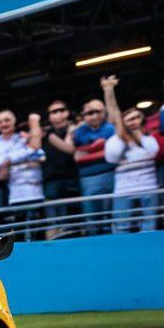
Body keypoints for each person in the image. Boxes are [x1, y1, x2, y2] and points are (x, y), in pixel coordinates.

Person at [102, 75, 160, 232]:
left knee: (149, 227)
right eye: (129, 119)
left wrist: (137, 136)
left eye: (136, 117)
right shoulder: (114, 140)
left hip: (148, 188)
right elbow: (111, 158)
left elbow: (152, 152)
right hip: (124, 190)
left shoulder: (148, 138)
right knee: (122, 228)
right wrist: (124, 140)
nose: (134, 121)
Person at [69, 97, 117, 229]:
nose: (94, 116)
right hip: (87, 178)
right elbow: (75, 154)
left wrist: (86, 152)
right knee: (92, 217)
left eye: (97, 112)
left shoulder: (110, 128)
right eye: (89, 113)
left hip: (108, 174)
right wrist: (96, 147)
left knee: (110, 214)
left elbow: (110, 151)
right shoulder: (79, 131)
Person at [42, 100, 80, 232]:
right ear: (49, 117)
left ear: (68, 113)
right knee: (52, 224)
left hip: (73, 181)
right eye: (54, 112)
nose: (58, 115)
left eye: (61, 110)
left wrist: (71, 131)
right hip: (52, 182)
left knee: (74, 224)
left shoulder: (77, 130)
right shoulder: (45, 134)